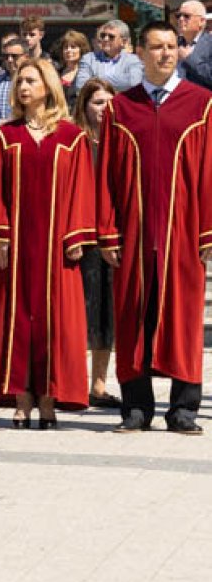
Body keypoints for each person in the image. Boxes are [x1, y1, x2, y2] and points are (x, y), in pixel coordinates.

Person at [96, 21, 212, 434]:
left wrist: (208, 231)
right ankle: (136, 408)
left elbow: (210, 173)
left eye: (171, 46)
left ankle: (183, 410)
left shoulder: (202, 105)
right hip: (133, 231)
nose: (165, 53)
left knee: (184, 318)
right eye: (157, 47)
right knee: (132, 317)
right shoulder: (121, 108)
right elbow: (106, 176)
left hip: (184, 232)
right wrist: (107, 231)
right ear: (140, 53)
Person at [0, 58, 95, 428]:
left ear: (48, 86)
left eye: (30, 80)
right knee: (18, 319)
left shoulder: (71, 137)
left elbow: (82, 188)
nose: (23, 87)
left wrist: (76, 233)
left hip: (58, 244)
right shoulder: (6, 136)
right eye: (20, 81)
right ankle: (21, 396)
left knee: (55, 321)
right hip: (17, 244)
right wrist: (0, 234)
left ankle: (49, 397)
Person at [72, 78, 120, 409]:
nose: (104, 108)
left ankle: (99, 386)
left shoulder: (122, 140)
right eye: (98, 102)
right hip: (82, 236)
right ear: (85, 106)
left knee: (107, 314)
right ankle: (73, 383)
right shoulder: (75, 140)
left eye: (108, 102)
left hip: (114, 236)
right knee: (81, 313)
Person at [73, 19, 143, 92]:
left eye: (111, 36)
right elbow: (80, 85)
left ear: (123, 42)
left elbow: (134, 82)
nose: (105, 39)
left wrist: (95, 79)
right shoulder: (89, 59)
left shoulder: (133, 60)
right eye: (103, 35)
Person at [174, 0, 212, 88]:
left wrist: (189, 58)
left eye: (186, 16)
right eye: (178, 15)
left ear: (201, 21)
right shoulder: (173, 44)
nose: (181, 19)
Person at [54, 30, 89, 106]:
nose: (68, 50)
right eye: (66, 47)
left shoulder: (87, 74)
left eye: (73, 47)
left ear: (81, 50)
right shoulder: (55, 73)